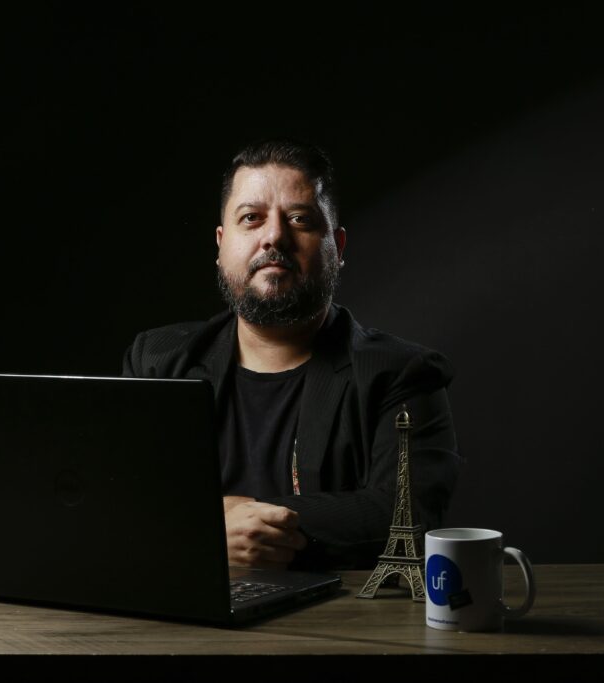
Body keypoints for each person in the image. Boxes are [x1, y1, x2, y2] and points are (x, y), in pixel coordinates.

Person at [122, 139, 460, 570]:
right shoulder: (156, 360)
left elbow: (408, 514)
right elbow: (119, 497)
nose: (274, 236)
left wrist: (231, 521)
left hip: (335, 608)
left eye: (300, 219)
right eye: (251, 218)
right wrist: (206, 530)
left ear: (337, 246)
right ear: (221, 245)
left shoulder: (400, 373)